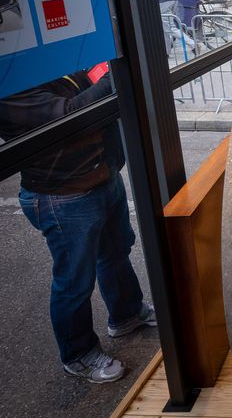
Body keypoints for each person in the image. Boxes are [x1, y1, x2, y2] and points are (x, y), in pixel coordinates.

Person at [0, 65, 156, 384]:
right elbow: (72, 114)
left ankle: (127, 314)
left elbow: (86, 87)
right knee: (74, 281)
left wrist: (103, 72)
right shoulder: (9, 79)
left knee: (116, 252)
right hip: (62, 194)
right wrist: (118, 71)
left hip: (100, 174)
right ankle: (78, 354)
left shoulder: (53, 60)